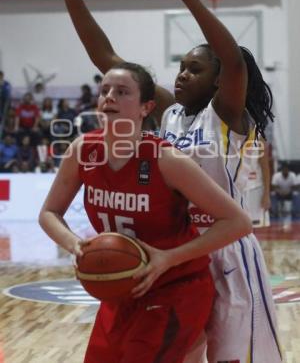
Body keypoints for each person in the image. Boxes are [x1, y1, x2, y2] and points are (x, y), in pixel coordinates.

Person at [30, 0, 281, 363]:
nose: (182, 76)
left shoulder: (227, 117)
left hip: (227, 252)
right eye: (180, 68)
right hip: (174, 258)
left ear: (219, 81)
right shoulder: (168, 113)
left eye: (195, 70)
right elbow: (106, 58)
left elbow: (234, 60)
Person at [39, 62, 251, 363]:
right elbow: (49, 212)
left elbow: (238, 222)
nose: (109, 97)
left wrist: (168, 258)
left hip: (175, 287)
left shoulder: (166, 160)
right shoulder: (82, 151)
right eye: (105, 90)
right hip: (122, 288)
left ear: (146, 107)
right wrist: (75, 245)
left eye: (122, 91)